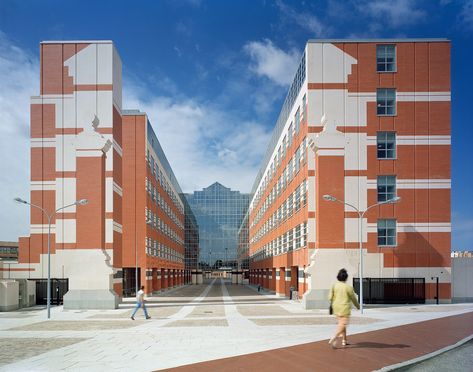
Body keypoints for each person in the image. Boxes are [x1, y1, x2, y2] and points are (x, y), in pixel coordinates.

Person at [328, 268, 360, 347]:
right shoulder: (348, 287)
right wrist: (358, 306)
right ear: (346, 277)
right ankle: (334, 337)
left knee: (341, 324)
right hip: (344, 308)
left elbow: (330, 297)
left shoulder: (334, 285)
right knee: (343, 325)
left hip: (336, 307)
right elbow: (353, 298)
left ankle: (344, 340)